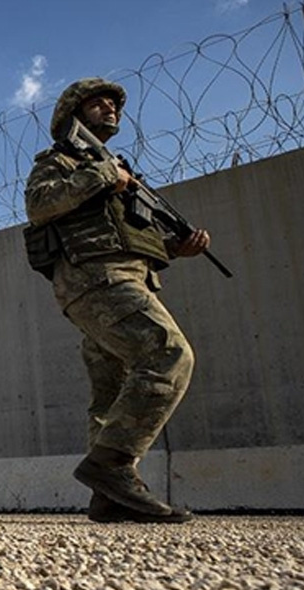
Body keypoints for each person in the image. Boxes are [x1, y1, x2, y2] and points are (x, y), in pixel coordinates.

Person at [23, 78, 210, 524]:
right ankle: (111, 464)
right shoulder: (61, 160)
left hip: (123, 276)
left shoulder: (118, 168)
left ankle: (109, 497)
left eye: (115, 105)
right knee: (168, 354)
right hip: (95, 279)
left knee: (110, 392)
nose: (111, 108)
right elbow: (39, 204)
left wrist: (173, 248)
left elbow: (123, 236)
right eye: (99, 103)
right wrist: (107, 174)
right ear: (74, 113)